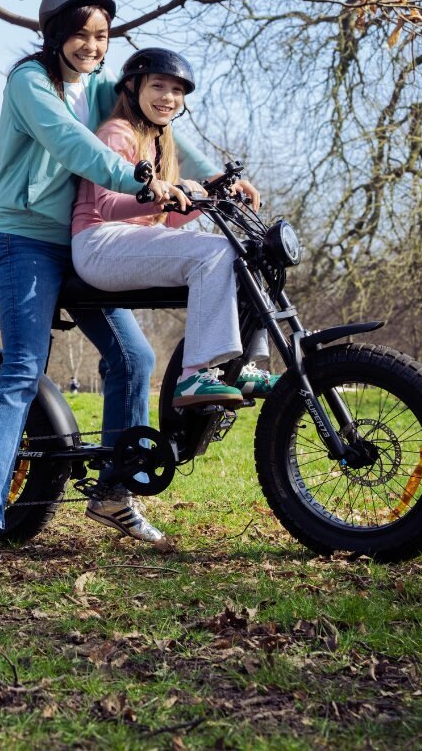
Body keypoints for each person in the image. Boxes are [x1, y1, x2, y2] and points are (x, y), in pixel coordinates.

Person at [0, 0, 254, 567]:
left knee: (133, 357)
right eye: (81, 33)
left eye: (102, 35)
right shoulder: (30, 81)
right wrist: (141, 179)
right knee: (24, 368)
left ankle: (115, 490)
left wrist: (216, 179)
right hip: (24, 241)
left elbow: (164, 130)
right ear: (56, 34)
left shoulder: (106, 87)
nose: (92, 44)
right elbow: (69, 144)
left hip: (85, 243)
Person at [70, 48, 277, 538]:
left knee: (242, 250)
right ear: (133, 89)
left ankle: (246, 364)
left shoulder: (162, 144)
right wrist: (159, 189)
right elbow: (108, 202)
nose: (169, 98)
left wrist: (210, 198)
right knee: (211, 255)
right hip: (99, 243)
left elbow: (168, 216)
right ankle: (194, 376)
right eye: (159, 87)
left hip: (130, 242)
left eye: (178, 91)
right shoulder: (117, 133)